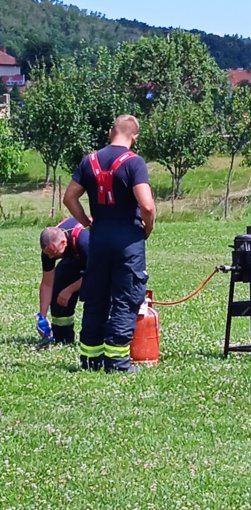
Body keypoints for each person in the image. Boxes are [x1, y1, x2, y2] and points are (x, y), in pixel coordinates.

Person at [63, 114, 156, 372]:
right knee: (126, 298)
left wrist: (86, 222)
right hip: (127, 240)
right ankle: (117, 361)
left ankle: (90, 358)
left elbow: (69, 197)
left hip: (99, 239)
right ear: (134, 137)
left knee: (96, 296)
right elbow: (147, 205)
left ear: (109, 132)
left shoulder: (89, 161)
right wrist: (148, 227)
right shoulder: (134, 162)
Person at [37, 217, 89, 344]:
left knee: (94, 293)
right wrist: (42, 317)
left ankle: (93, 337)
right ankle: (62, 338)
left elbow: (96, 274)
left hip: (99, 262)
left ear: (63, 242)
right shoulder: (49, 248)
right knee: (58, 284)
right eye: (48, 253)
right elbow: (47, 283)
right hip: (75, 258)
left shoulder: (84, 240)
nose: (50, 257)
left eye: (53, 253)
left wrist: (69, 290)